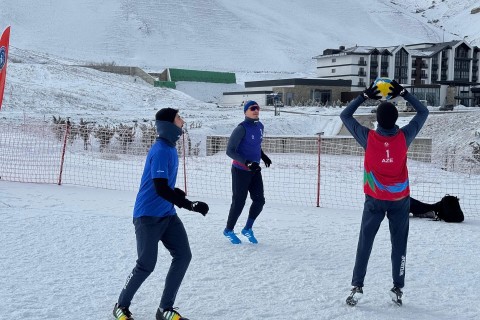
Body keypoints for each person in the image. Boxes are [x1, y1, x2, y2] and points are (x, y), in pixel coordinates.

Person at [113, 108, 209, 320]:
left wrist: (177, 194)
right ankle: (120, 305)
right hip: (147, 217)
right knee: (146, 265)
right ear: (168, 124)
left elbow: (165, 186)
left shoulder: (170, 148)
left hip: (167, 215)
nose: (183, 122)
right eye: (178, 118)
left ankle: (165, 309)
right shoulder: (160, 150)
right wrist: (188, 204)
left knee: (183, 256)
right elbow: (160, 188)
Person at [340, 80, 429, 306]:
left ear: (376, 120)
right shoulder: (404, 137)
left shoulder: (368, 138)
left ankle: (357, 286)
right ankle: (397, 288)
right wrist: (404, 93)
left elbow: (345, 116)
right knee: (399, 246)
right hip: (400, 201)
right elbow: (423, 111)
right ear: (396, 119)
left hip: (374, 201)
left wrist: (363, 96)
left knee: (365, 244)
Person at [223, 100, 272, 244]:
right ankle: (228, 230)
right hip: (241, 171)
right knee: (239, 202)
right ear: (245, 112)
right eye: (252, 108)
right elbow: (229, 151)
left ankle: (247, 229)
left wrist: (263, 156)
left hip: (255, 170)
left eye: (257, 108)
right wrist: (247, 162)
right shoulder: (241, 128)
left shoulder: (260, 126)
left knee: (259, 200)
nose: (256, 110)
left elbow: (255, 145)